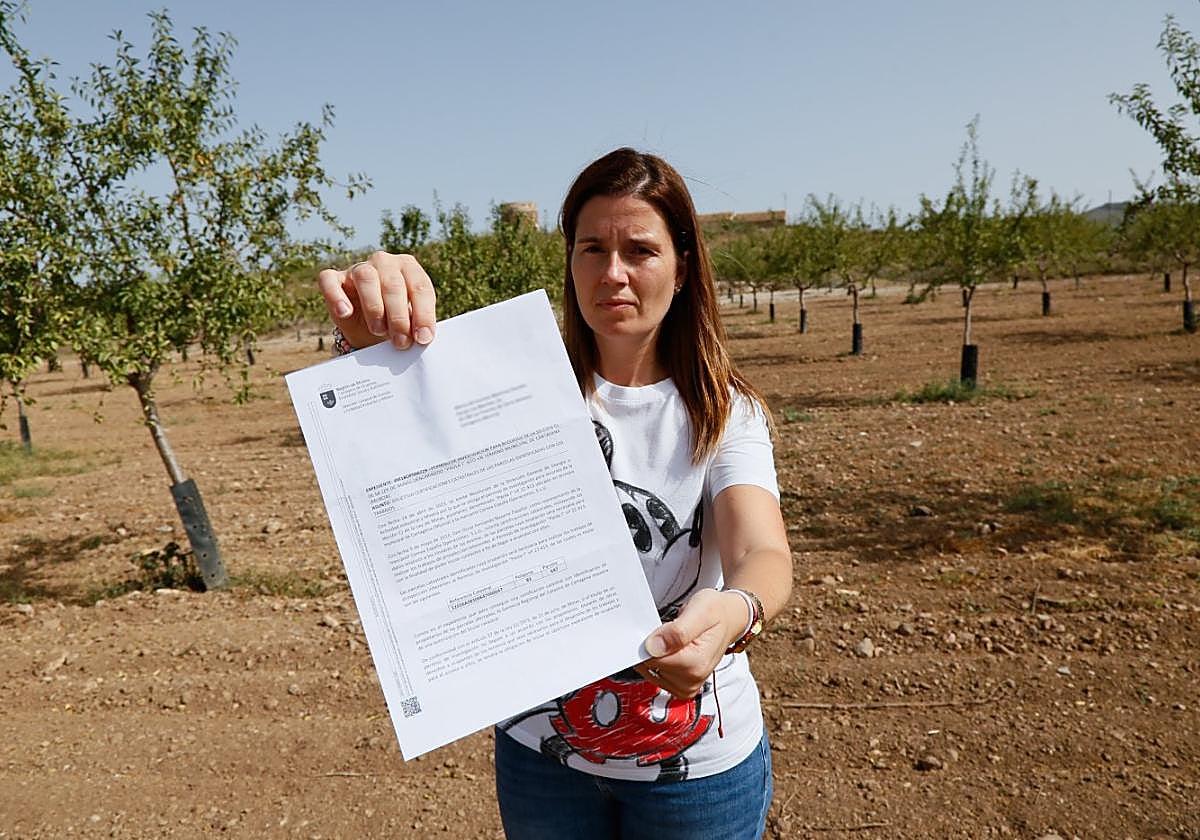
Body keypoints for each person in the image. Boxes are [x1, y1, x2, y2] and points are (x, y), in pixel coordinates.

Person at [318, 148, 792, 840]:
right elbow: (396, 454)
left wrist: (733, 610)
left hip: (695, 772)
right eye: (592, 248)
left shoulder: (723, 412)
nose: (613, 273)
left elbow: (762, 549)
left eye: (640, 250)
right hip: (542, 762)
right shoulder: (510, 397)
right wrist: (366, 341)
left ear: (683, 266)